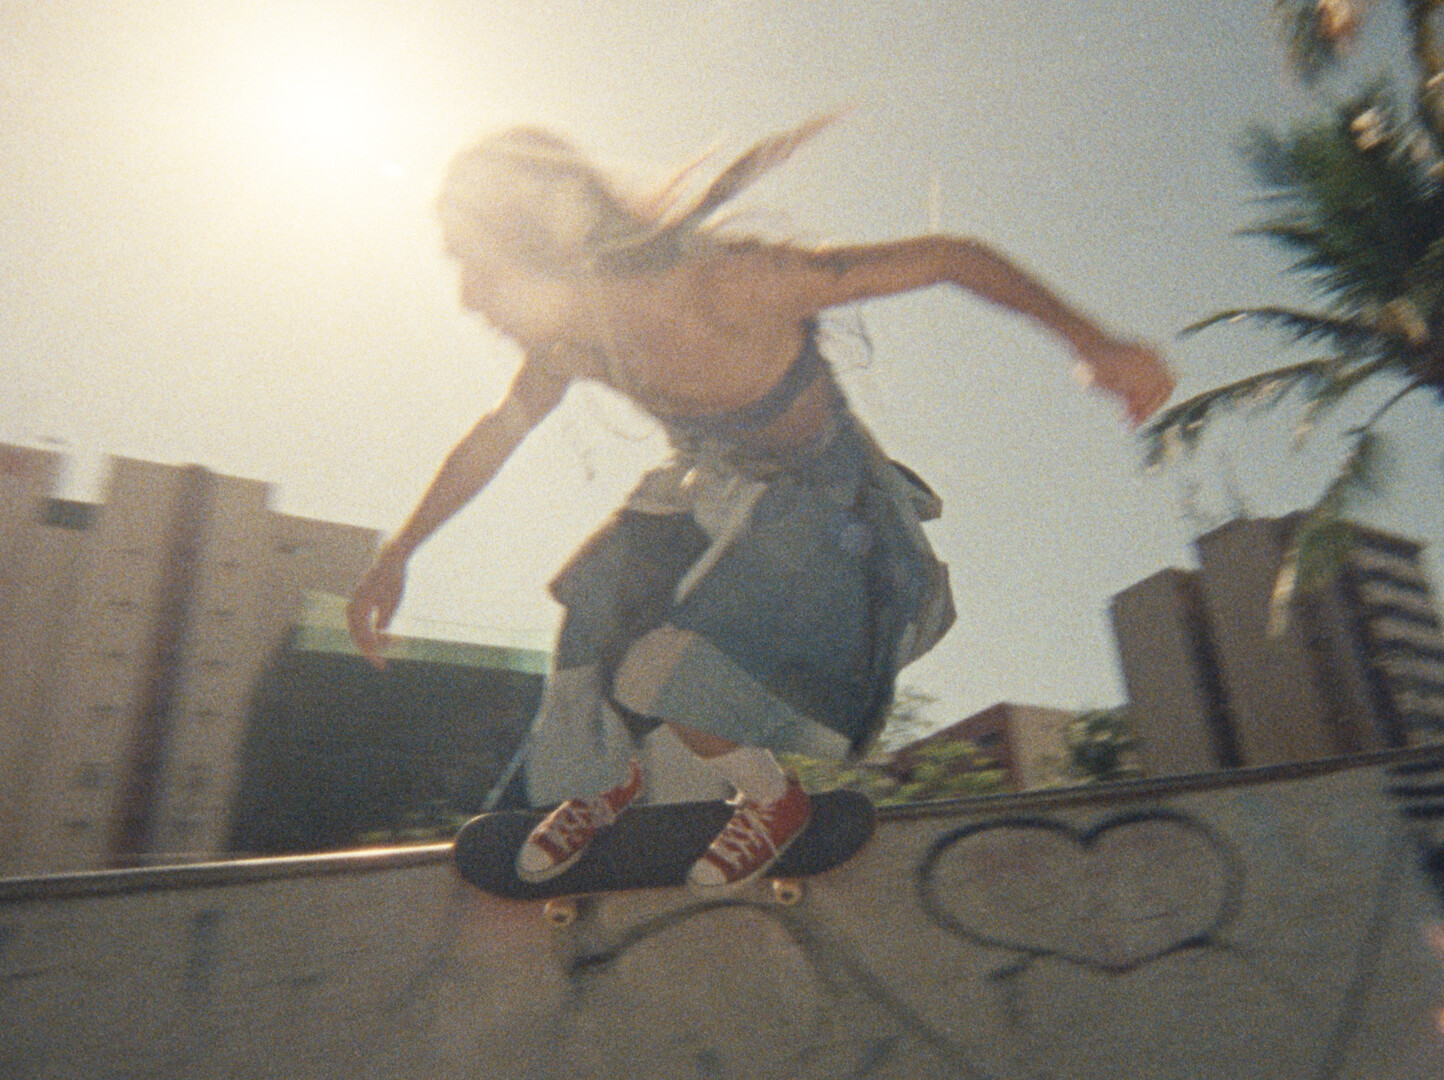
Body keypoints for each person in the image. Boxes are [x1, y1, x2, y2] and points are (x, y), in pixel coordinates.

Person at [346, 118, 1174, 889]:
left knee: (676, 668)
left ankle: (771, 800)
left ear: (540, 248)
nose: (467, 298)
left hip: (824, 509)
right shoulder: (569, 339)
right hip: (713, 488)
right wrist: (398, 551)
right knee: (597, 616)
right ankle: (609, 784)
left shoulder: (728, 283)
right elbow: (497, 432)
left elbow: (952, 257)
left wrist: (1093, 342)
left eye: (473, 263)